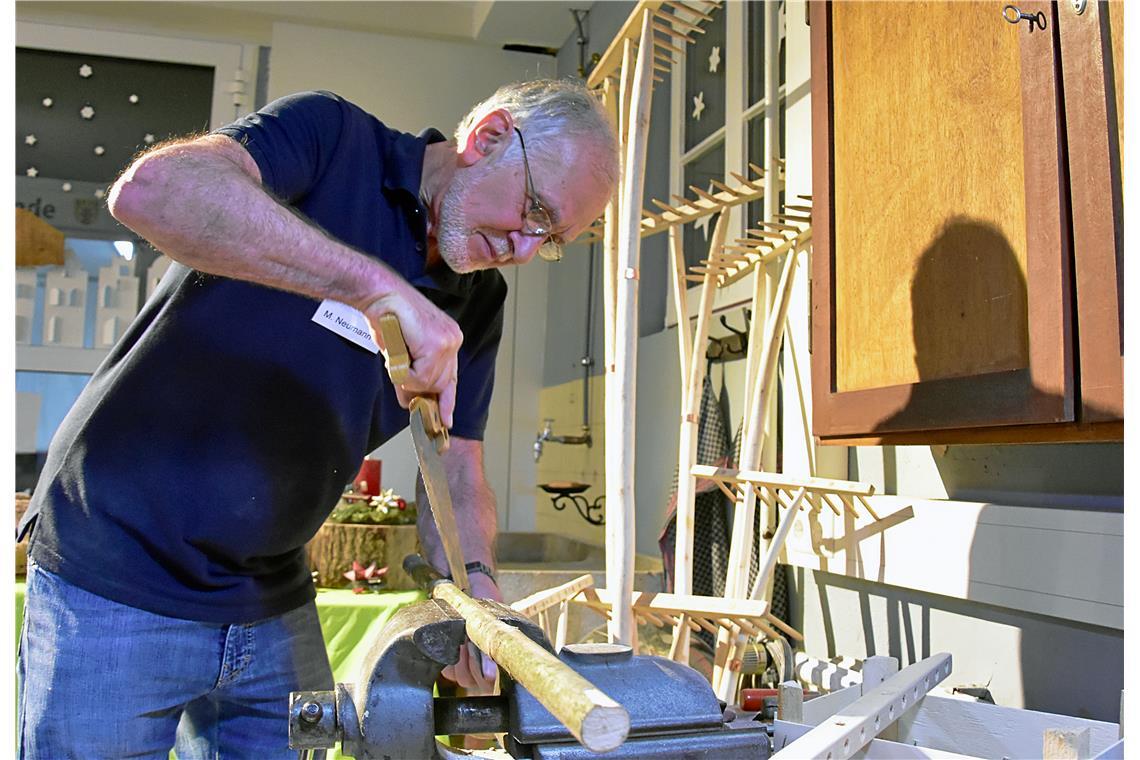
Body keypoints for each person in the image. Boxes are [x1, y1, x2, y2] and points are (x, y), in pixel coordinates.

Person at [17, 79, 618, 758]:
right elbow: (152, 192)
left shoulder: (479, 303)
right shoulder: (334, 141)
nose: (527, 247)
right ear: (488, 138)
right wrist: (375, 286)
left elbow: (453, 463)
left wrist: (477, 593)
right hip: (116, 568)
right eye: (534, 210)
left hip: (270, 594)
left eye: (554, 238)